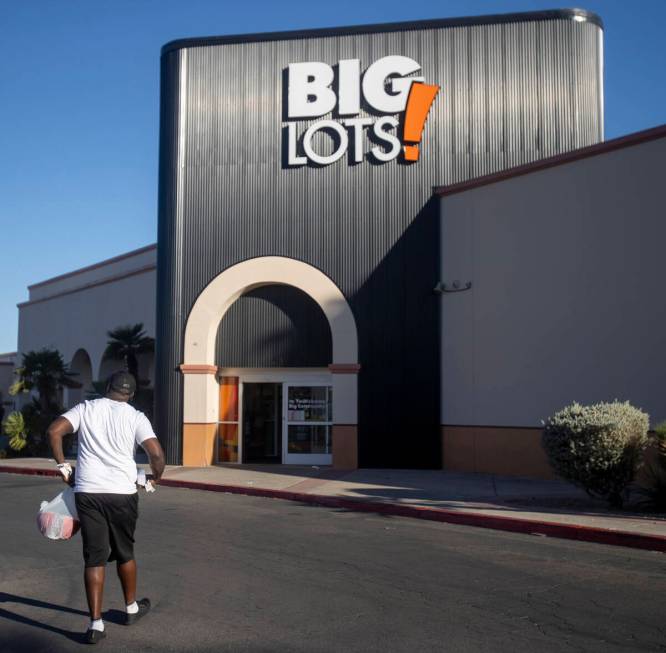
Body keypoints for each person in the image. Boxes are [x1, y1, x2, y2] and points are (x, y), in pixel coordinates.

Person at [47, 370, 166, 644]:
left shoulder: (86, 408)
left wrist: (63, 467)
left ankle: (95, 625)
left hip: (88, 491)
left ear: (107, 387)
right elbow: (156, 454)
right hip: (123, 493)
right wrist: (154, 478)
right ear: (132, 395)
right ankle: (131, 609)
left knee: (94, 557)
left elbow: (54, 431)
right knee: (125, 551)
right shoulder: (136, 417)